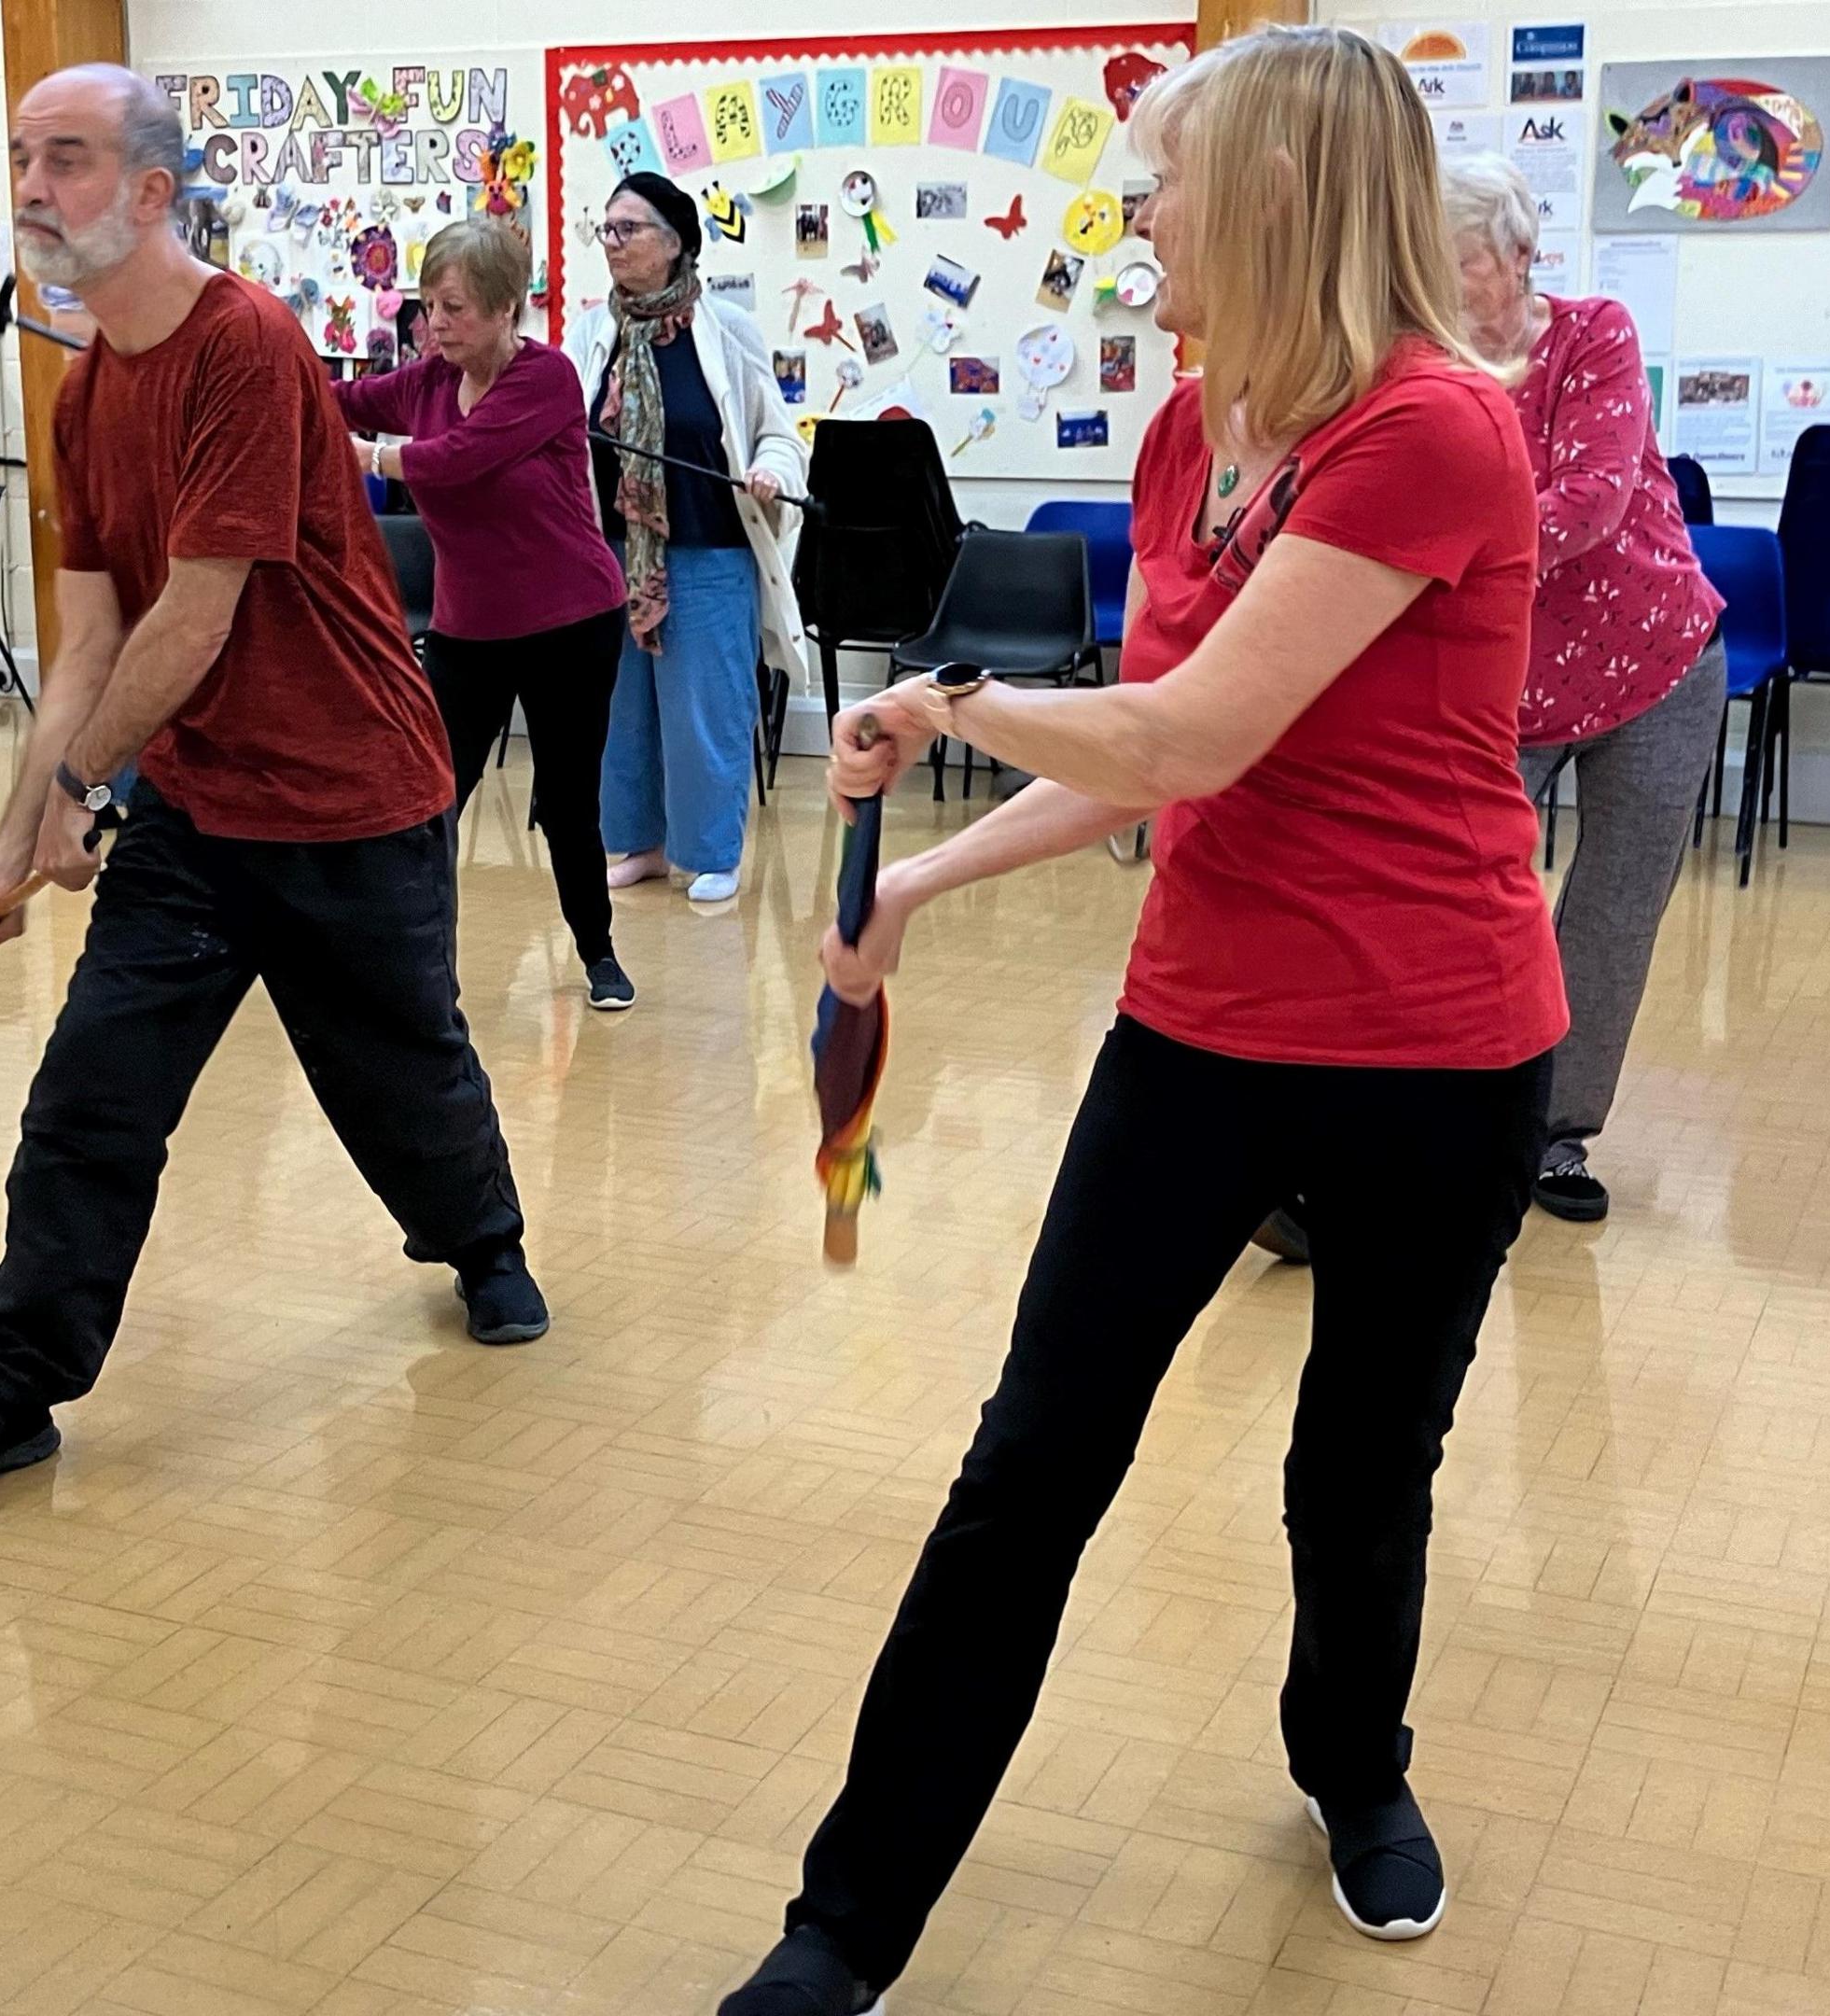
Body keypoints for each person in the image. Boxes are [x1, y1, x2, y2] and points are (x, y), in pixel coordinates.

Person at [719, 29, 1564, 2012]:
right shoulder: (1199, 428)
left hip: (1437, 1057)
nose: (1137, 217)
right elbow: (1159, 764)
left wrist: (941, 708)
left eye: (1165, 182)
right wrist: (921, 877)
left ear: (1274, 193)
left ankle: (1355, 1773)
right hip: (1198, 1034)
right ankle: (844, 1927)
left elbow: (1192, 721)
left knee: (1357, 1475)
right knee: (1031, 1465)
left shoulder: (1436, 427)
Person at [0, 65, 545, 1486]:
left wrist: (87, 792)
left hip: (351, 797)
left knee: (399, 1076)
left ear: (148, 193)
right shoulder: (81, 395)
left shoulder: (246, 344)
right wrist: (14, 840)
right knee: (89, 1098)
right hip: (197, 818)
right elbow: (91, 645)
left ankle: (482, 1245)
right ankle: (13, 1388)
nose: (27, 188)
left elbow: (201, 611)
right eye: (19, 157)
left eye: (64, 158)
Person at [1452, 152, 1724, 1223]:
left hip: (1658, 665)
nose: (1433, 278)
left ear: (1521, 257)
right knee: (1460, 902)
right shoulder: (1417, 362)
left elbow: (1594, 499)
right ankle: (1452, 1112)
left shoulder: (1594, 333)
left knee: (1609, 915)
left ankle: (1555, 1135)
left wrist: (1433, 550)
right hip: (1499, 688)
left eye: (1458, 258)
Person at [336, 219, 636, 1009]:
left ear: (508, 310)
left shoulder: (546, 380)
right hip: (470, 631)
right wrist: (261, 375)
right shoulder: (426, 380)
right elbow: (339, 399)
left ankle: (599, 954)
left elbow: (457, 460)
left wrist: (368, 454)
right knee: (434, 795)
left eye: (455, 308)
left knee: (569, 802)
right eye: (429, 305)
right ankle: (424, 967)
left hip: (572, 623)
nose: (435, 323)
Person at [569, 170, 806, 906]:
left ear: (673, 244)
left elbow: (777, 434)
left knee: (705, 712)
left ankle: (709, 852)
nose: (612, 243)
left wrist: (768, 470)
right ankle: (637, 841)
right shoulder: (590, 332)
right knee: (621, 711)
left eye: (627, 229)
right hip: (612, 556)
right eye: (605, 229)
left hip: (709, 552)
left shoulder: (727, 328)